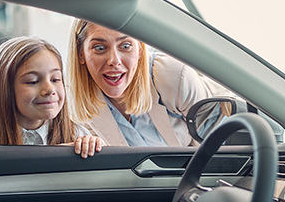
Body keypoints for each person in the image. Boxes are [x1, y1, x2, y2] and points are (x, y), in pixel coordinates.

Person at [67, 19, 231, 146]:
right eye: (100, 48)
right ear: (81, 53)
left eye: (125, 45)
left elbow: (211, 151)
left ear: (140, 49)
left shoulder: (173, 76)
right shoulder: (73, 101)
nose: (114, 61)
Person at [0, 37, 103, 158]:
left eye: (55, 79)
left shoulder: (78, 135)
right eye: (33, 81)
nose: (49, 89)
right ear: (6, 88)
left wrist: (96, 147)